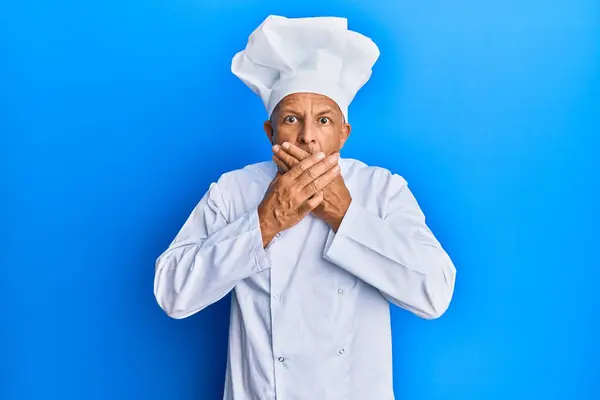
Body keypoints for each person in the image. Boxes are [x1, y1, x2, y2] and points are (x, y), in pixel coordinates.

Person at [154, 15, 457, 400]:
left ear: (344, 133)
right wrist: (262, 223)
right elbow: (171, 293)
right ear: (270, 132)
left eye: (324, 120)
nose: (308, 137)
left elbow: (435, 293)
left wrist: (346, 216)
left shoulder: (381, 189)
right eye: (292, 119)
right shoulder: (234, 190)